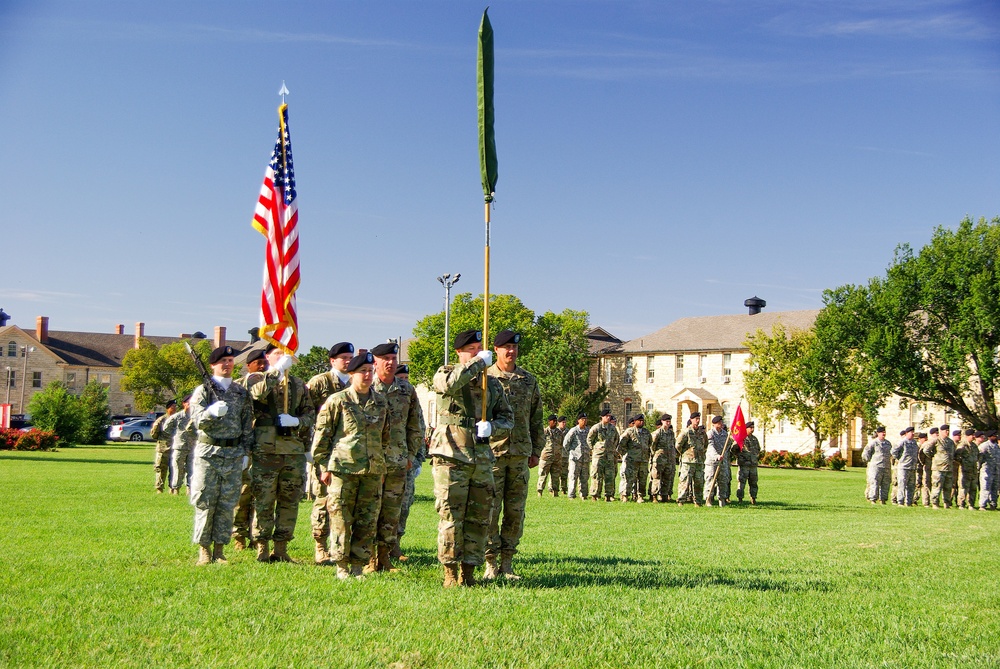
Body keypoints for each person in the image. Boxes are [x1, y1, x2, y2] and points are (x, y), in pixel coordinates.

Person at [428, 329, 513, 587]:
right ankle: (450, 571)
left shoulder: (491, 383)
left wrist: (492, 428)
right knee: (452, 515)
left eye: (479, 349)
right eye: (472, 350)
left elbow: (508, 418)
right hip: (451, 454)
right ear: (459, 353)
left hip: (481, 457)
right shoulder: (446, 372)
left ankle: (470, 570)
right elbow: (448, 385)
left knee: (479, 516)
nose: (477, 353)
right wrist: (478, 363)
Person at [311, 351, 389, 579]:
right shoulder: (337, 400)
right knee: (341, 519)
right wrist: (324, 467)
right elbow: (322, 438)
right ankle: (342, 566)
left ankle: (358, 565)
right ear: (351, 374)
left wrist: (380, 465)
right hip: (343, 470)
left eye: (370, 371)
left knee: (367, 520)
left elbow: (385, 436)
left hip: (372, 470)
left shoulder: (380, 402)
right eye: (362, 371)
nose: (367, 375)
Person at [245, 345, 315, 562]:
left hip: (292, 451)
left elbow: (310, 413)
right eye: (278, 354)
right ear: (268, 357)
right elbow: (256, 395)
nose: (283, 357)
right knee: (264, 500)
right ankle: (262, 546)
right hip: (265, 450)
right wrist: (276, 372)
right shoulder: (257, 378)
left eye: (287, 355)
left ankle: (282, 548)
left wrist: (297, 422)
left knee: (290, 500)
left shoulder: (298, 384)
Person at [189, 345, 256, 565]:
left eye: (230, 360)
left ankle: (219, 549)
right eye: (222, 362)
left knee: (227, 503)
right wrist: (210, 412)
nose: (227, 365)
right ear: (213, 366)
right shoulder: (203, 391)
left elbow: (247, 424)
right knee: (206, 501)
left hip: (234, 452)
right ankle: (204, 549)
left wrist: (246, 451)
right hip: (209, 452)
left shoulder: (240, 392)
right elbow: (196, 421)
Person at [485, 330, 543, 581]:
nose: (511, 351)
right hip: (492, 453)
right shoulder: (485, 378)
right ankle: (490, 563)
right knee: (489, 509)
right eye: (506, 347)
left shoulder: (528, 380)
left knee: (515, 511)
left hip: (520, 453)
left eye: (514, 347)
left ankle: (507, 563)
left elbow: (536, 418)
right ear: (495, 350)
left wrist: (537, 450)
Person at [369, 342, 424, 573]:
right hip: (372, 463)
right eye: (385, 359)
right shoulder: (366, 388)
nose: (390, 363)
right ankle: (370, 559)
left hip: (399, 462)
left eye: (393, 358)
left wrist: (411, 455)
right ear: (375, 362)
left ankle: (385, 558)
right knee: (371, 511)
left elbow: (415, 425)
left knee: (392, 512)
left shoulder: (406, 390)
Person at [305, 341, 354, 565]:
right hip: (325, 449)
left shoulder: (357, 382)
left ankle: (343, 546)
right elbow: (305, 412)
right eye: (343, 357)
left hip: (350, 451)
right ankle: (320, 546)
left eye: (350, 357)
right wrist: (309, 446)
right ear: (332, 361)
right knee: (324, 498)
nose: (348, 361)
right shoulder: (320, 382)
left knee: (346, 501)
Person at [232, 348, 268, 550]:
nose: (263, 367)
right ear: (248, 366)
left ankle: (257, 535)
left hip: (264, 446)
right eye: (258, 363)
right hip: (244, 446)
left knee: (261, 494)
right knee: (243, 493)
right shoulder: (239, 386)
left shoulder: (271, 385)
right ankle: (239, 536)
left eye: (265, 363)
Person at [394, 363, 428, 562]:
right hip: (389, 459)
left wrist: (418, 459)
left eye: (407, 379)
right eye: (402, 378)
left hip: (408, 460)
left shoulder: (410, 397)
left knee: (404, 504)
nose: (405, 382)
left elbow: (419, 429)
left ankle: (396, 544)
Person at [162, 394, 196, 496]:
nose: (190, 405)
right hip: (179, 447)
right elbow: (166, 428)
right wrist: (176, 435)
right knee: (177, 468)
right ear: (184, 404)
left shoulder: (195, 416)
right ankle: (176, 489)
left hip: (192, 447)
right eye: (188, 403)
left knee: (191, 469)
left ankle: (189, 489)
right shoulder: (177, 416)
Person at [617, 414, 651, 502]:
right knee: (629, 479)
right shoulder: (629, 431)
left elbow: (649, 443)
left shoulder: (646, 432)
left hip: (643, 460)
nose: (641, 422)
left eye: (643, 420)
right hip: (632, 460)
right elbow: (621, 445)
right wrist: (625, 455)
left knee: (642, 479)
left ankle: (640, 496)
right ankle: (625, 495)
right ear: (635, 422)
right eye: (639, 420)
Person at [676, 412, 707, 506]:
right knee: (685, 481)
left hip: (699, 461)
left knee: (699, 482)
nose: (697, 421)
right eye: (696, 419)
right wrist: (685, 454)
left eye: (699, 418)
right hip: (688, 462)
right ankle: (681, 500)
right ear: (691, 420)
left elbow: (705, 445)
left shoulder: (702, 432)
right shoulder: (686, 432)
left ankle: (698, 501)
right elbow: (678, 445)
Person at [587, 409, 619, 502]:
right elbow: (589, 439)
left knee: (609, 476)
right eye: (606, 416)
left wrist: (613, 449)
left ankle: (608, 495)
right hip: (599, 456)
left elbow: (616, 439)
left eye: (609, 416)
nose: (608, 418)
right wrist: (594, 449)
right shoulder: (596, 427)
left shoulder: (612, 428)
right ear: (602, 417)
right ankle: (595, 495)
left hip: (609, 456)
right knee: (597, 476)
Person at [149, 400, 178, 494]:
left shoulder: (178, 420)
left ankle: (172, 488)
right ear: (167, 408)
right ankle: (159, 488)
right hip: (163, 449)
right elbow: (154, 433)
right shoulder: (161, 420)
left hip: (175, 448)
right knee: (161, 469)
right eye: (172, 407)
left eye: (175, 407)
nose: (174, 409)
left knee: (174, 469)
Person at [924, 424, 955, 509]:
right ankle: (935, 503)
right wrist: (934, 457)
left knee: (948, 487)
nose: (947, 432)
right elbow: (926, 450)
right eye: (945, 431)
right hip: (938, 468)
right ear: (941, 431)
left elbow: (953, 453)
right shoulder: (936, 441)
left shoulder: (950, 442)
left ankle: (947, 503)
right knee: (937, 486)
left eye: (948, 430)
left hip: (948, 467)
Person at [704, 415, 731, 507]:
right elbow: (710, 446)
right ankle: (709, 499)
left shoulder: (725, 434)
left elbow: (728, 445)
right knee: (710, 480)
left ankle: (722, 499)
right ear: (714, 424)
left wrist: (724, 456)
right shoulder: (710, 434)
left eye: (721, 422)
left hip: (723, 461)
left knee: (723, 481)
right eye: (719, 423)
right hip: (712, 462)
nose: (721, 424)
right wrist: (716, 456)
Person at [649, 414, 676, 503]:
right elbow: (652, 446)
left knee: (667, 477)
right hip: (659, 458)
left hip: (668, 459)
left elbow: (673, 445)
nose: (668, 423)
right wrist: (655, 455)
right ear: (662, 421)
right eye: (666, 421)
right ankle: (654, 496)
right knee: (656, 477)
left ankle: (664, 495)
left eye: (669, 421)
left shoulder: (671, 433)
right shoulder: (657, 433)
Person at [563, 413, 591, 500]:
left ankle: (583, 495)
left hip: (585, 458)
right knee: (573, 476)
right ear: (578, 420)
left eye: (585, 419)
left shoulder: (588, 431)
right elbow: (566, 443)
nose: (584, 421)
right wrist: (570, 453)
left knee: (585, 477)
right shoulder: (573, 431)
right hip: (575, 458)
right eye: (582, 419)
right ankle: (571, 495)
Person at [861, 426, 892, 504]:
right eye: (882, 432)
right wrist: (868, 461)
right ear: (878, 433)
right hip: (876, 466)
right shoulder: (873, 443)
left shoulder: (888, 443)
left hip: (886, 466)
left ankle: (883, 500)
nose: (884, 434)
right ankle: (873, 499)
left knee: (886, 483)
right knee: (875, 482)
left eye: (884, 432)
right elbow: (866, 452)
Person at [891, 426, 919, 507]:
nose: (913, 434)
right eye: (911, 432)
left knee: (911, 486)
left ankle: (909, 502)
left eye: (913, 432)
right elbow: (893, 451)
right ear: (907, 433)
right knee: (902, 484)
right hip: (903, 467)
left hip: (912, 467)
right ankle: (900, 501)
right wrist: (899, 458)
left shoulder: (914, 443)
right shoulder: (902, 442)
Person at [736, 420, 762, 504]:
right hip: (744, 465)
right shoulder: (741, 438)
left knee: (754, 482)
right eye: (750, 427)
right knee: (742, 482)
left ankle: (753, 498)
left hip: (753, 465)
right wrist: (741, 458)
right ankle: (740, 499)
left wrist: (755, 458)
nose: (752, 429)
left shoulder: (754, 439)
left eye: (753, 427)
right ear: (746, 428)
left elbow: (758, 449)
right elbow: (735, 450)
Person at [537, 414, 563, 497]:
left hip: (557, 457)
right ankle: (540, 492)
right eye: (553, 421)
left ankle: (555, 492)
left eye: (556, 421)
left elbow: (561, 443)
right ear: (549, 422)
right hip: (546, 457)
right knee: (543, 475)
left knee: (555, 476)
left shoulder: (559, 433)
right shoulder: (544, 432)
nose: (555, 423)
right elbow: (539, 443)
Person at [955, 428, 979, 509]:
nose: (973, 437)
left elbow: (977, 456)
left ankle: (971, 504)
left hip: (973, 470)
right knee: (963, 488)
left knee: (973, 488)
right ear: (967, 436)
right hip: (965, 470)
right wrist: (963, 462)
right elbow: (956, 456)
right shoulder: (962, 445)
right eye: (972, 435)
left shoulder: (974, 446)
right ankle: (961, 504)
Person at [979, 430, 1000, 511]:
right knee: (985, 488)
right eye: (994, 436)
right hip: (986, 471)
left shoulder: (996, 446)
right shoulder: (984, 446)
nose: (995, 437)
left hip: (996, 471)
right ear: (990, 437)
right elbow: (980, 458)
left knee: (994, 489)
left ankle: (993, 504)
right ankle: (982, 505)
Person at [917, 427, 938, 506]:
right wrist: (923, 463)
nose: (937, 434)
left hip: (936, 467)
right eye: (936, 433)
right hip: (928, 466)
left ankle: (934, 500)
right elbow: (921, 454)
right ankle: (926, 502)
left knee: (934, 484)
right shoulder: (927, 443)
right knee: (926, 483)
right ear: (932, 434)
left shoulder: (938, 442)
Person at [556, 416, 569, 495]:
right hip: (556, 455)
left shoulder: (568, 431)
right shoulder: (555, 431)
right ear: (559, 423)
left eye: (565, 422)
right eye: (562, 422)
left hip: (565, 455)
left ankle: (564, 489)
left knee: (564, 473)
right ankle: (552, 488)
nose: (564, 424)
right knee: (555, 473)